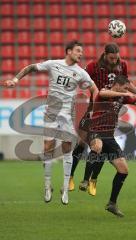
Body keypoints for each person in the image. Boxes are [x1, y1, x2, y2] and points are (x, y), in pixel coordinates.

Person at [2, 40, 98, 205]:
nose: (81, 54)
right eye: (78, 51)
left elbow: (94, 89)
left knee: (68, 148)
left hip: (67, 116)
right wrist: (16, 80)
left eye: (81, 51)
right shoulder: (54, 64)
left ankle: (65, 188)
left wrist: (92, 109)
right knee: (48, 148)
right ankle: (47, 185)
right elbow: (31, 67)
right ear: (68, 51)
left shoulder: (80, 73)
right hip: (51, 114)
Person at [69, 42, 136, 192]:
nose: (114, 61)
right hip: (94, 106)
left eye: (116, 58)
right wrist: (93, 90)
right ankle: (70, 176)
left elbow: (126, 83)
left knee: (102, 144)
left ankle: (92, 179)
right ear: (105, 55)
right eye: (111, 58)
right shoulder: (93, 66)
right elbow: (81, 78)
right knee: (81, 142)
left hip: (110, 111)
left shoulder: (122, 65)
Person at [82, 75, 136, 217]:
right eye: (125, 88)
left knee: (123, 170)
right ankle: (86, 180)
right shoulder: (105, 92)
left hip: (109, 136)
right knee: (97, 146)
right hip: (95, 131)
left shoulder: (122, 97)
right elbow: (102, 93)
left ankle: (112, 203)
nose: (127, 91)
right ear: (117, 85)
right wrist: (124, 93)